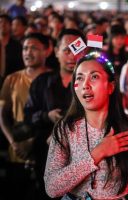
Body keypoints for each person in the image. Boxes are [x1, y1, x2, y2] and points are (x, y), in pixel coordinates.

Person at [44, 50, 128, 199]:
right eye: (79, 78)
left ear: (110, 87)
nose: (85, 85)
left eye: (94, 77)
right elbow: (52, 188)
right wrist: (98, 153)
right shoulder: (65, 128)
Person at [24, 29, 85, 200]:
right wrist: (46, 116)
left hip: (80, 161)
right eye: (66, 50)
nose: (72, 56)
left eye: (77, 49)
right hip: (44, 156)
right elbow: (28, 116)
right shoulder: (42, 82)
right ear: (56, 51)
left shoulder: (90, 85)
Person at [0, 33, 51, 200]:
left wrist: (35, 143)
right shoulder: (12, 79)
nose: (28, 52)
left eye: (34, 48)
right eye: (25, 48)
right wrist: (14, 143)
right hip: (17, 154)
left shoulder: (54, 80)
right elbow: (3, 116)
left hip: (46, 156)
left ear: (48, 51)